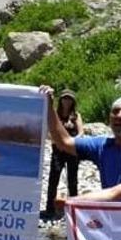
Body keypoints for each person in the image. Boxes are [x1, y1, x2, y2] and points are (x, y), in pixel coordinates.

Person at [41, 87, 121, 189]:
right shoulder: (101, 145)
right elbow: (64, 142)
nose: (119, 115)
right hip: (111, 211)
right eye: (115, 111)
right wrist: (49, 106)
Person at [42, 89, 83, 220]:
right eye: (65, 98)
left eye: (69, 99)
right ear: (61, 100)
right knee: (53, 180)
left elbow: (81, 133)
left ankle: (74, 209)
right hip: (57, 150)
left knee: (72, 181)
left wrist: (71, 142)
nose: (67, 101)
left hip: (72, 151)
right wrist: (57, 141)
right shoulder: (56, 115)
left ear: (73, 101)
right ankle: (50, 209)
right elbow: (50, 132)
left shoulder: (76, 116)